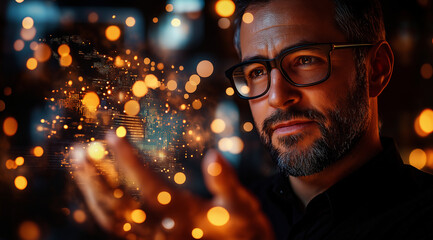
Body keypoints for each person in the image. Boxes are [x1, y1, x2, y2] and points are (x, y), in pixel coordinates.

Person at [73, 0, 433, 239]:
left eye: (305, 60)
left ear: (376, 70)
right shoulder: (219, 220)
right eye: (257, 71)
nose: (277, 96)